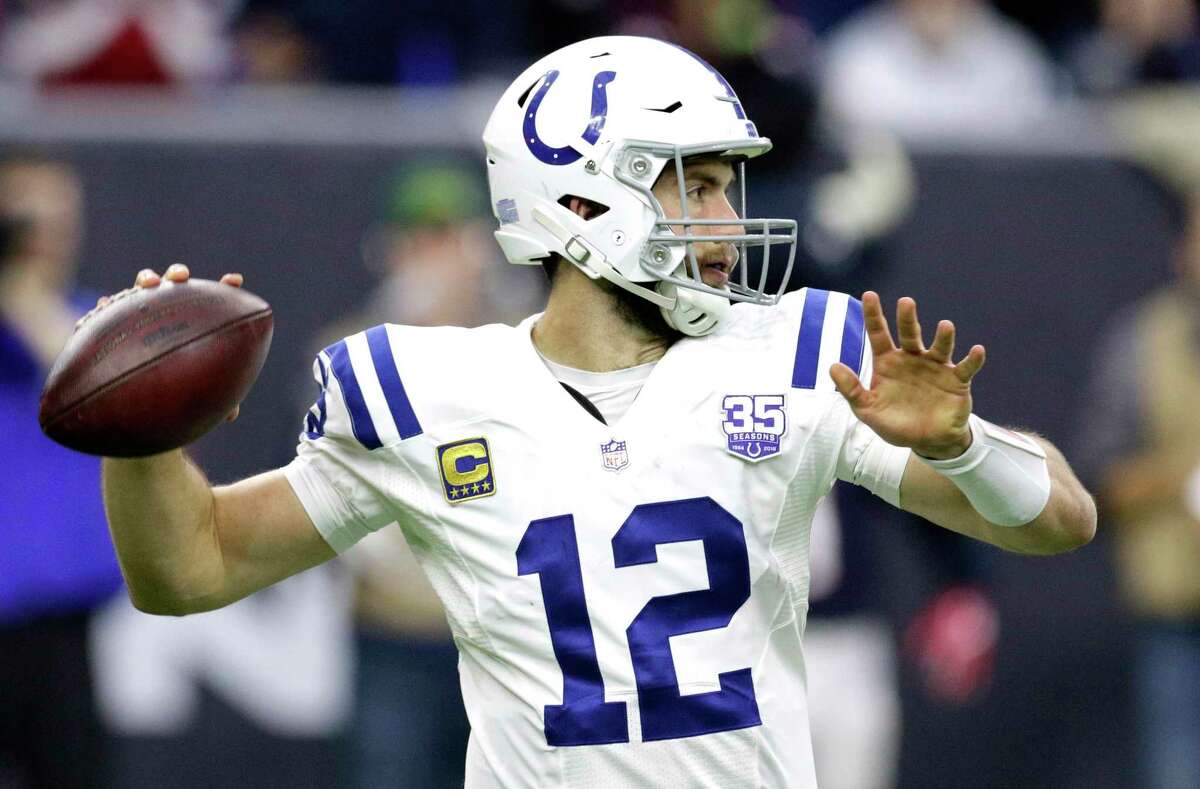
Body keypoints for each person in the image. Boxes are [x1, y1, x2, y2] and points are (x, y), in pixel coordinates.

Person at [94, 36, 1095, 788]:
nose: (728, 222)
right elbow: (192, 569)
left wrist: (964, 448)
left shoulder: (789, 355)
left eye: (729, 186)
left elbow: (1058, 519)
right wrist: (140, 436)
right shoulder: (423, 389)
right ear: (578, 202)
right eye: (695, 185)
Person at [0, 154, 123, 789]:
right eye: (27, 221)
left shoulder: (85, 320)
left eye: (58, 219)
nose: (44, 236)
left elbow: (87, 378)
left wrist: (20, 283)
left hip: (55, 627)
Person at [1078, 191, 1200, 789]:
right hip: (1173, 600)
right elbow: (1099, 479)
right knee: (1175, 767)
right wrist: (1179, 480)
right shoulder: (1141, 338)